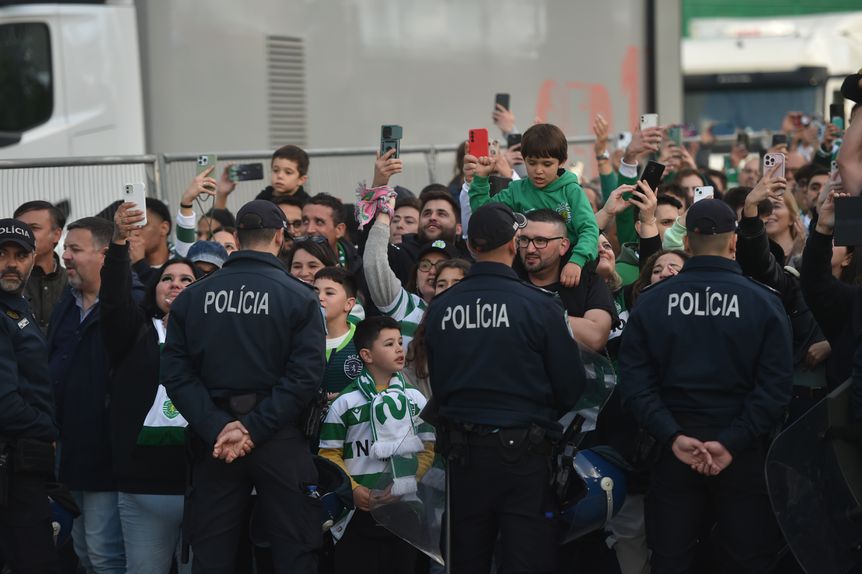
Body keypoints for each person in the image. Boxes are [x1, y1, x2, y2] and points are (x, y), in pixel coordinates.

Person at [618, 199, 793, 573]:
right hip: (741, 452)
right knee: (748, 559)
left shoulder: (651, 302)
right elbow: (776, 387)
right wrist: (732, 441)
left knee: (671, 559)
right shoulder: (763, 301)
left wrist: (673, 436)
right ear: (733, 243)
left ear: (688, 244)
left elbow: (635, 383)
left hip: (674, 449)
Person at [161, 199, 326, 573]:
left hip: (214, 439)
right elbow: (305, 377)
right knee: (295, 550)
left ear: (235, 238)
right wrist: (253, 428)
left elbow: (175, 373)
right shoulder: (300, 297)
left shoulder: (192, 297)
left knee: (212, 553)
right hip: (278, 437)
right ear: (281, 238)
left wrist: (218, 427)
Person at [424, 203, 586, 572]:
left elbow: (439, 379)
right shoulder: (538, 306)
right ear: (514, 244)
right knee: (527, 560)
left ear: (470, 246)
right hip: (525, 458)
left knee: (467, 560)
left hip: (463, 457)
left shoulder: (441, 307)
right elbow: (571, 385)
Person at [101, 202, 199, 574]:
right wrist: (119, 244)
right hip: (143, 488)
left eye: (186, 280)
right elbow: (112, 299)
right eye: (167, 279)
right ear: (154, 290)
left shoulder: (212, 342)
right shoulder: (133, 334)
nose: (175, 284)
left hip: (200, 487)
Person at [318, 316, 435, 574]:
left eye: (400, 342)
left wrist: (406, 480)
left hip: (404, 510)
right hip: (357, 513)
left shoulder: (415, 398)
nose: (399, 349)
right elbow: (329, 453)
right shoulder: (345, 401)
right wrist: (353, 489)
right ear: (366, 355)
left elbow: (428, 449)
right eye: (389, 343)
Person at [49, 216, 126, 573]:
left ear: (104, 255)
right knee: (81, 547)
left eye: (75, 249)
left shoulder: (128, 306)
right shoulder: (67, 303)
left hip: (104, 453)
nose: (65, 255)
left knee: (103, 552)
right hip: (68, 450)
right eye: (65, 247)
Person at [466, 123, 599, 287]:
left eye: (547, 164)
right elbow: (485, 217)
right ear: (524, 159)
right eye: (532, 162)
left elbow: (589, 229)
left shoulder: (571, 190)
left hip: (569, 269)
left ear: (562, 162)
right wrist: (480, 180)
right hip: (527, 271)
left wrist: (577, 261)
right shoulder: (516, 190)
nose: (538, 170)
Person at [0, 219, 61, 573]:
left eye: (20, 255)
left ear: (33, 258)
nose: (11, 262)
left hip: (23, 466)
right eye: (2, 254)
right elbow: (5, 404)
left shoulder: (18, 307)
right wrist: (48, 429)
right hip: (12, 466)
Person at [519, 209, 615, 352]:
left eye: (540, 241)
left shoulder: (587, 281)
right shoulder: (510, 279)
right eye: (524, 240)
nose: (530, 249)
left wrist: (528, 314)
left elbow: (595, 338)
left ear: (563, 246)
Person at [13, 200, 68, 333]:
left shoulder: (73, 282)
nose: (24, 234)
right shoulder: (6, 281)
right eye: (19, 228)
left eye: (33, 228)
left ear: (56, 234)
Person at [313, 267, 362, 400]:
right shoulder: (299, 338)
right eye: (315, 291)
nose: (319, 298)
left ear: (348, 304)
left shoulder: (363, 339)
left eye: (329, 293)